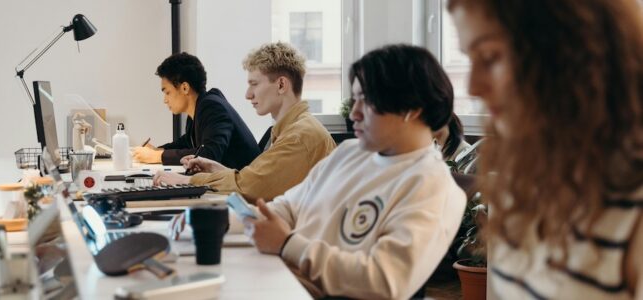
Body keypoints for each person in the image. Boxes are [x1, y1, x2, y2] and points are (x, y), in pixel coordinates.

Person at [170, 45, 465, 299]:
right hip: (284, 277)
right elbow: (287, 208)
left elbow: (385, 281)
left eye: (366, 100)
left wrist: (288, 244)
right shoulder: (350, 153)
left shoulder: (432, 186)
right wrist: (219, 220)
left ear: (411, 109)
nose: (354, 113)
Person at [448, 0, 643, 298]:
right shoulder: (521, 177)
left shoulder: (632, 205)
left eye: (490, 57)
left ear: (570, 51)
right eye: (469, 58)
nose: (473, 87)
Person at [154, 42, 336, 202]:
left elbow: (249, 187)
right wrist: (217, 170)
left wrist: (187, 180)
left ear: (281, 85)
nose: (248, 94)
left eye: (254, 84)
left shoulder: (299, 137)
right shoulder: (292, 129)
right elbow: (256, 180)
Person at [132, 52, 260, 170]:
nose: (165, 100)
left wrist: (157, 156)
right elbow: (187, 143)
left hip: (243, 185)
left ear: (185, 88)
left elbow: (209, 154)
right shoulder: (199, 108)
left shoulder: (212, 106)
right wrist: (158, 150)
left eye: (167, 92)